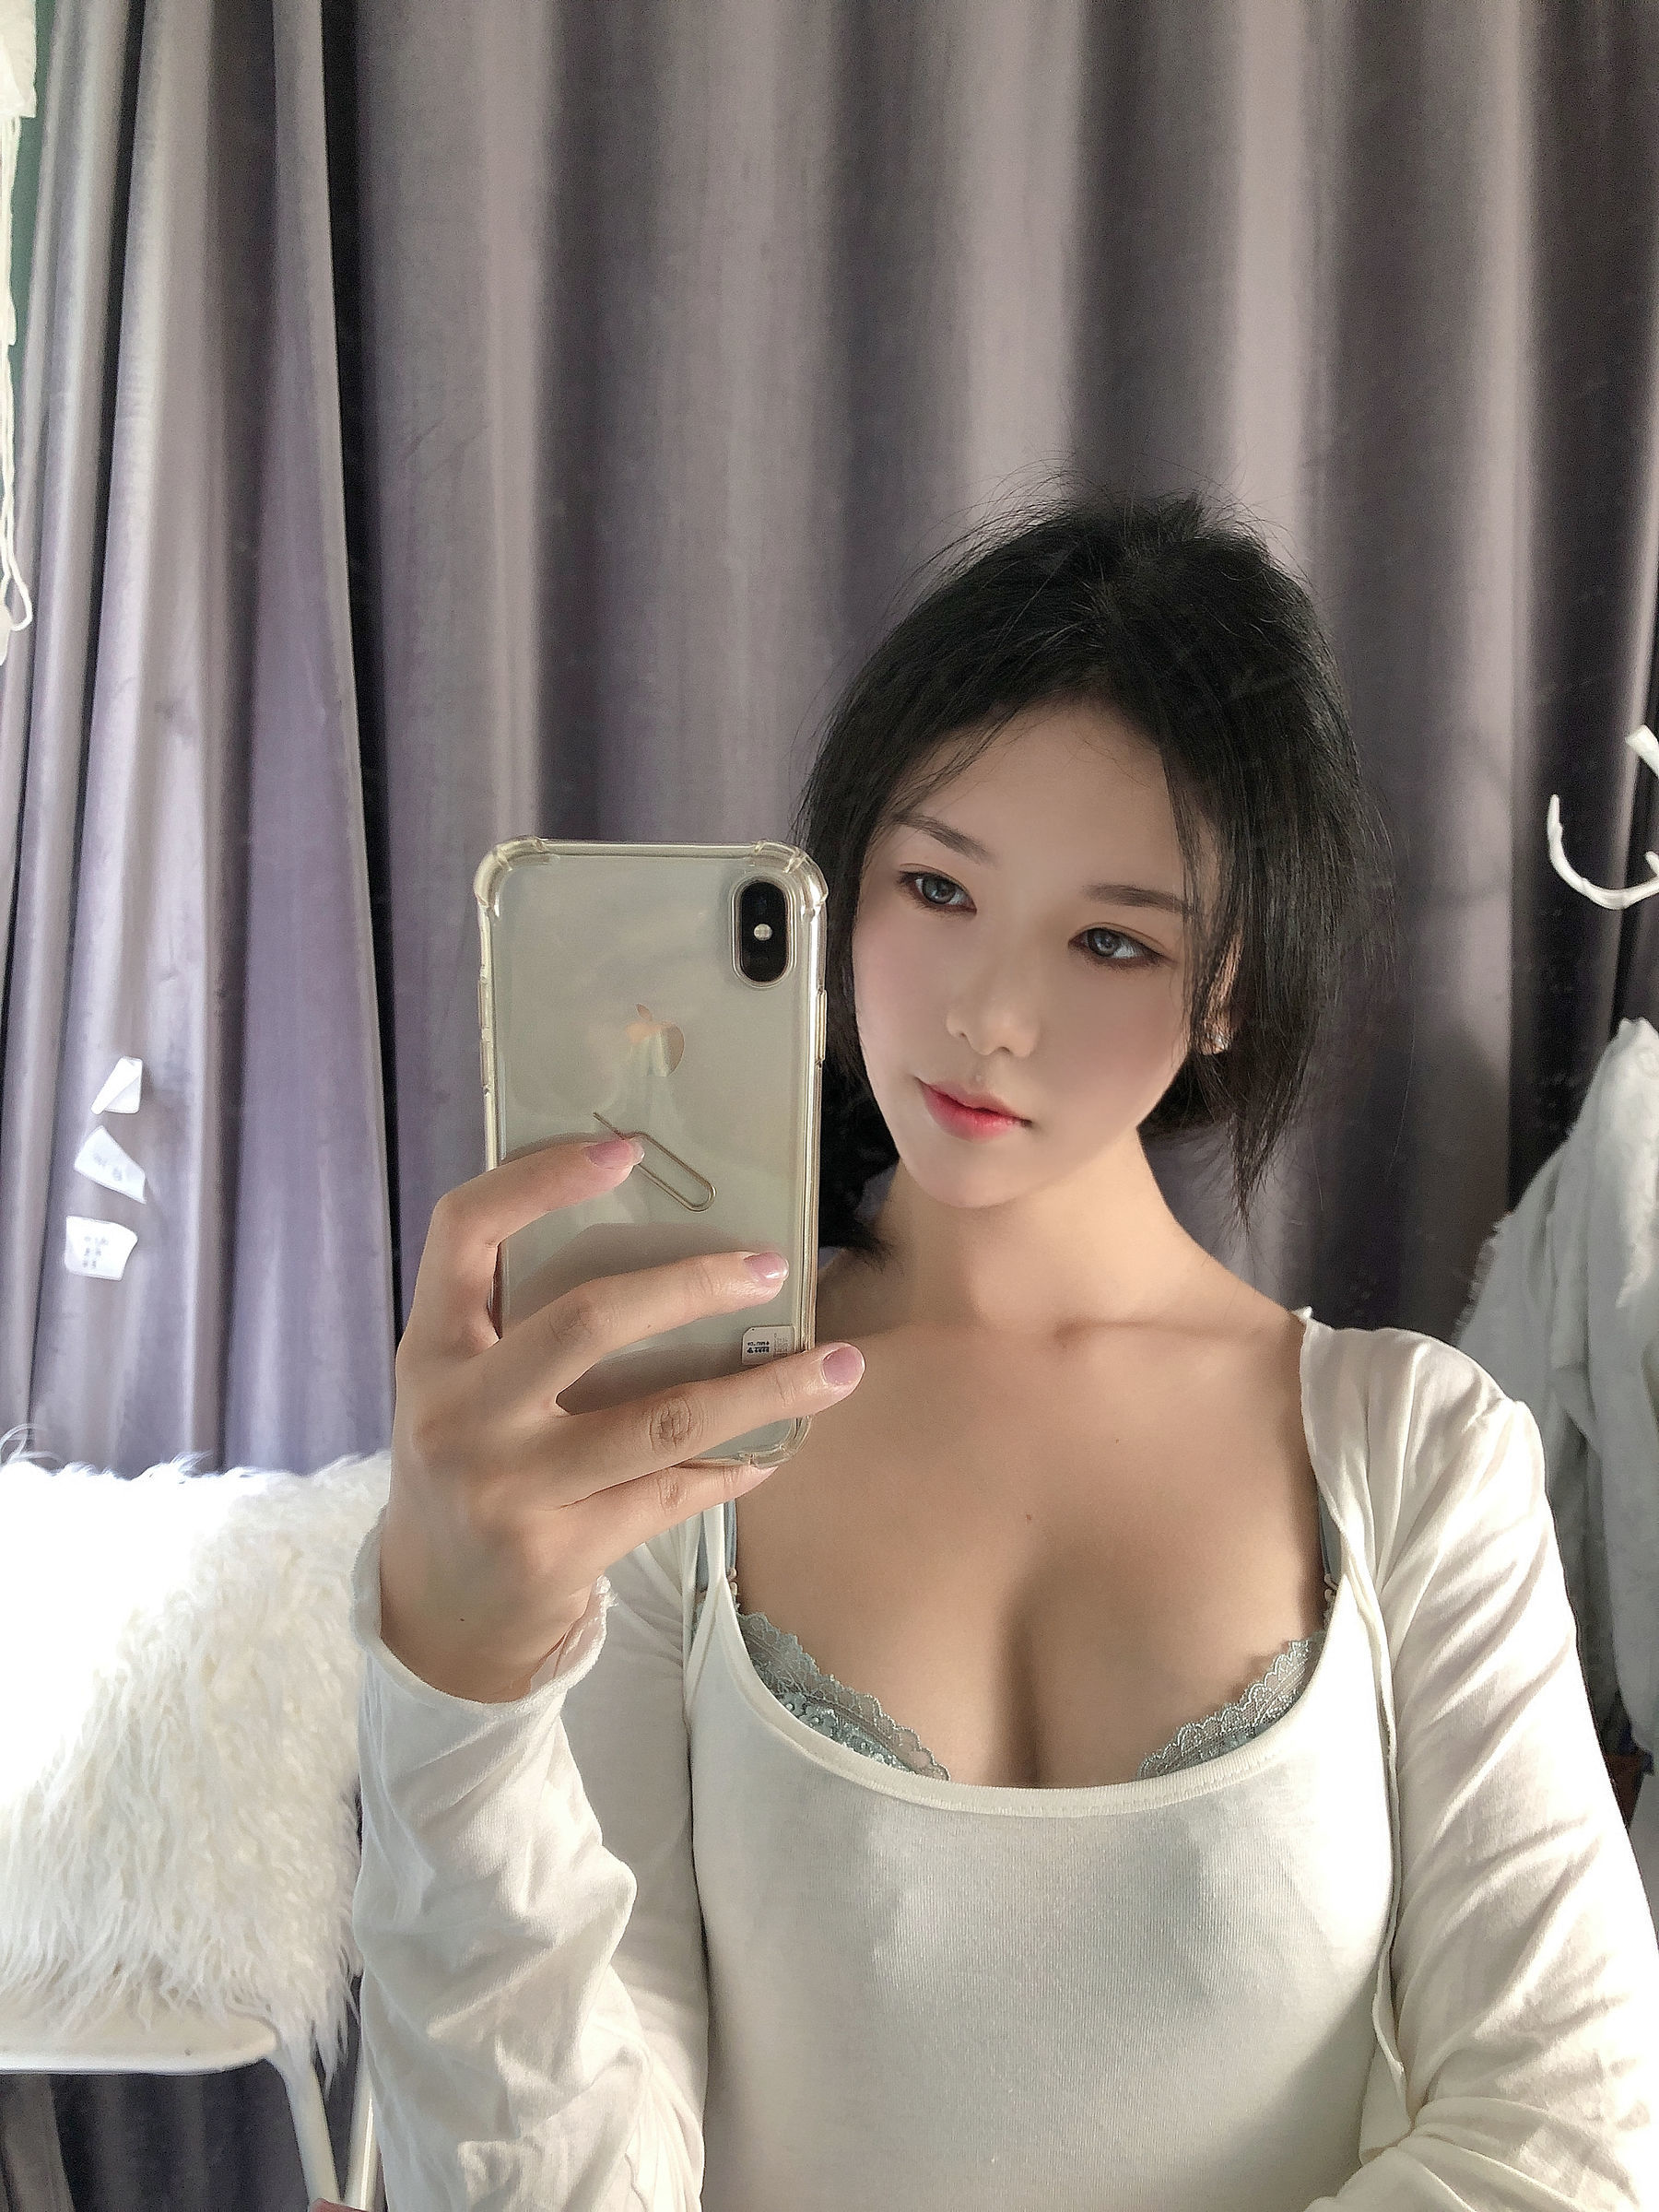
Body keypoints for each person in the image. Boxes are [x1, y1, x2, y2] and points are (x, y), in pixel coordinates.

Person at [349, 493, 1659, 2210]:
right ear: (837, 892)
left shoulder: (1415, 1454)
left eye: (1111, 939)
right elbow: (560, 2176)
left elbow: (1570, 2140)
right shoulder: (674, 1435)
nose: (990, 1015)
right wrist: (455, 1679)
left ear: (1228, 987)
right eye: (938, 887)